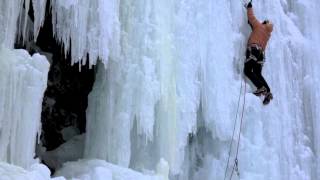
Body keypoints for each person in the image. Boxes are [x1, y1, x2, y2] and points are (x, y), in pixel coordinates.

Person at [244, 1, 274, 105]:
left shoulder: (259, 26)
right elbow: (256, 31)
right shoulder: (267, 34)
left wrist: (249, 6)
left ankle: (261, 88)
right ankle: (268, 91)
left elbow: (251, 17)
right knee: (257, 73)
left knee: (247, 70)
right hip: (261, 55)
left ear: (264, 23)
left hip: (254, 50)